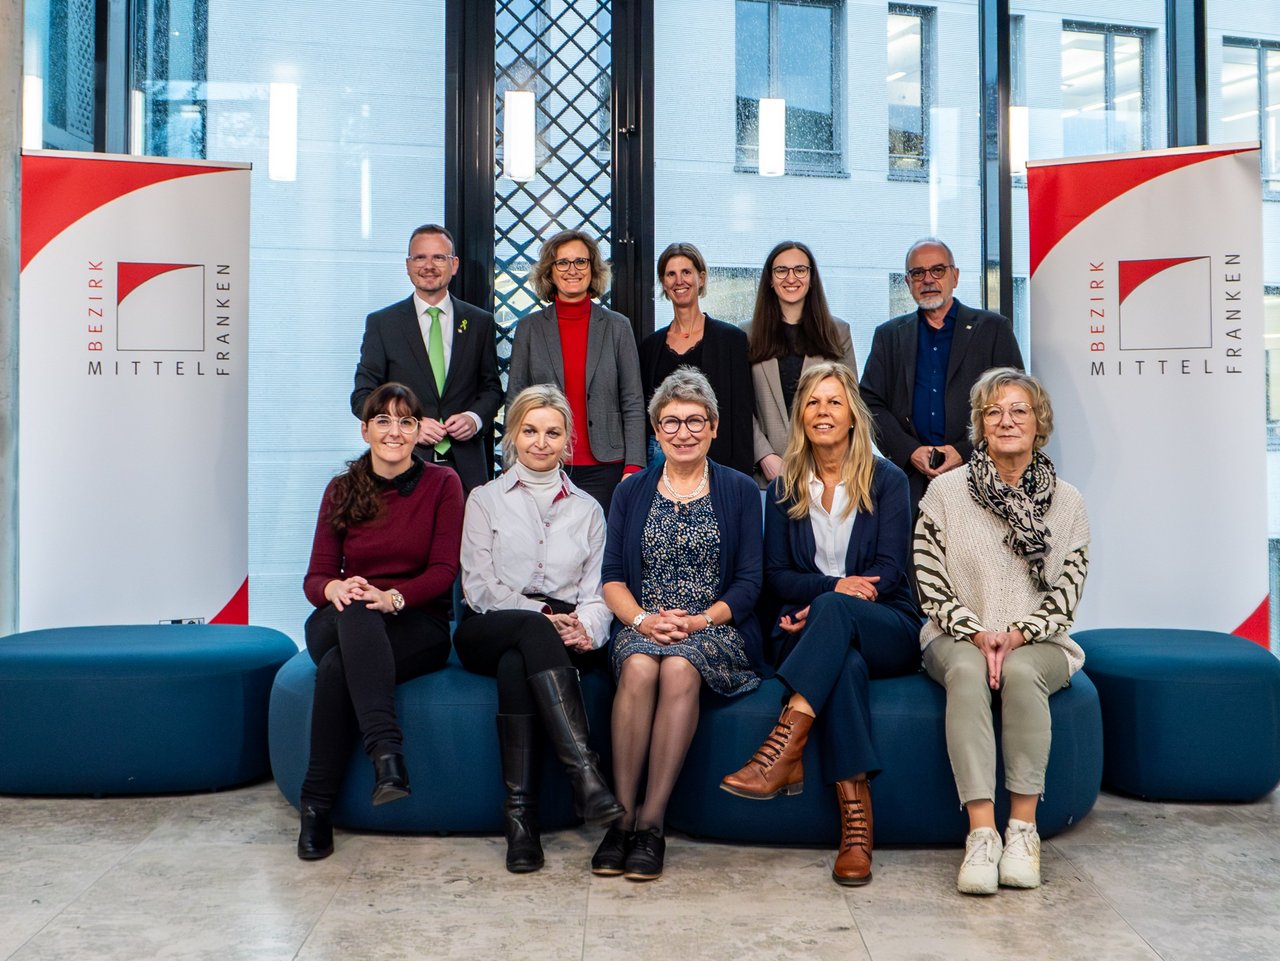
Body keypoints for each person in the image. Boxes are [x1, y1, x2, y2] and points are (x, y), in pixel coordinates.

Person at [721, 362, 921, 886]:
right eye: (812, 402)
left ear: (853, 414)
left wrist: (829, 601)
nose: (823, 411)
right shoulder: (784, 487)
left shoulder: (888, 480)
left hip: (887, 624)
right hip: (807, 630)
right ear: (800, 417)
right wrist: (831, 593)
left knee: (836, 611)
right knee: (844, 664)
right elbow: (775, 575)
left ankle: (783, 747)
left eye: (834, 401)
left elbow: (890, 571)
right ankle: (856, 827)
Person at [914, 368, 1089, 895]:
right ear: (980, 426)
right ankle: (982, 834)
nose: (1006, 421)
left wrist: (1017, 634)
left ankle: (1023, 831)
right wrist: (974, 631)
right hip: (953, 633)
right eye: (993, 412)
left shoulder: (1069, 502)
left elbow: (1067, 592)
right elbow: (928, 578)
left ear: (1039, 423)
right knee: (969, 672)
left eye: (1019, 410)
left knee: (1021, 671)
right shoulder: (945, 492)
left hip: (1040, 641)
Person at [594, 368, 764, 882]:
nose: (683, 432)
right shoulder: (631, 491)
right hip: (643, 624)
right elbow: (612, 578)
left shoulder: (740, 490)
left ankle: (652, 824)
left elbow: (749, 583)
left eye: (695, 421)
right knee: (641, 667)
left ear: (714, 427)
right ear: (656, 430)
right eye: (671, 422)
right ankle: (621, 818)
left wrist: (698, 621)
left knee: (678, 668)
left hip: (714, 626)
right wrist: (643, 620)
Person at [454, 385, 623, 873]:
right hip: (490, 623)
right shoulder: (484, 499)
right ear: (512, 435)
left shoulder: (589, 509)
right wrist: (543, 617)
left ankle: (520, 823)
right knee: (528, 634)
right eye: (530, 430)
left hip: (564, 628)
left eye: (553, 433)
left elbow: (597, 593)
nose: (541, 442)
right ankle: (586, 777)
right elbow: (479, 587)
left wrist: (585, 629)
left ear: (569, 441)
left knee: (518, 665)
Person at [297, 383, 463, 861]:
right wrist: (335, 589)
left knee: (336, 668)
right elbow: (316, 577)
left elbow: (443, 572)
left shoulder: (443, 484)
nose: (395, 431)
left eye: (406, 421)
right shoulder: (341, 488)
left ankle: (315, 807)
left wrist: (392, 598)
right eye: (384, 421)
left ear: (418, 431)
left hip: (416, 622)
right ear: (365, 430)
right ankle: (386, 755)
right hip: (343, 616)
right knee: (355, 607)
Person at [859, 237, 1024, 512]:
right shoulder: (889, 336)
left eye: (938, 270)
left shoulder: (993, 329)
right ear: (907, 282)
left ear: (955, 276)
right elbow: (870, 402)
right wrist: (910, 451)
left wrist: (963, 451)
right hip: (912, 483)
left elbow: (1015, 403)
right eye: (918, 273)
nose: (928, 280)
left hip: (981, 476)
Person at [352, 224, 503, 494]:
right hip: (402, 464)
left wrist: (474, 418)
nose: (429, 266)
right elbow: (362, 397)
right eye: (420, 257)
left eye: (439, 257)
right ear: (408, 265)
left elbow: (491, 388)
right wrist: (408, 424)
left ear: (454, 265)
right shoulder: (383, 324)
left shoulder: (480, 322)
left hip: (467, 469)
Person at [505, 229, 645, 515]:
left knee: (601, 543)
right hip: (543, 462)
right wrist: (511, 462)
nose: (573, 270)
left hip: (606, 467)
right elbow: (515, 401)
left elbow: (632, 401)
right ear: (550, 271)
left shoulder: (618, 327)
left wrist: (634, 466)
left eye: (581, 261)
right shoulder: (529, 328)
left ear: (593, 269)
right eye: (563, 263)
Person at [638, 243, 755, 477]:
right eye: (671, 274)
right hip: (660, 463)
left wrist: (740, 478)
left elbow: (742, 416)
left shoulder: (731, 340)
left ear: (701, 278)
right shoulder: (650, 347)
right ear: (663, 283)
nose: (679, 281)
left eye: (686, 272)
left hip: (717, 460)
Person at [747, 241, 856, 488]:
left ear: (811, 277)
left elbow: (849, 402)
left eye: (800, 270)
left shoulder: (838, 332)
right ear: (770, 279)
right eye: (781, 270)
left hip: (825, 472)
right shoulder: (746, 335)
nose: (791, 278)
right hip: (766, 476)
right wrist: (764, 456)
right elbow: (740, 407)